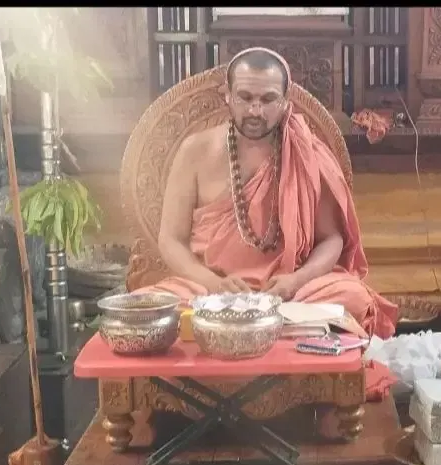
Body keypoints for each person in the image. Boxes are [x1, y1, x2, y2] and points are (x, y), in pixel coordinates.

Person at [137, 47, 399, 339]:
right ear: (227, 95)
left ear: (286, 101)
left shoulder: (307, 152)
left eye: (268, 99)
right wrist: (213, 284)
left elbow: (331, 239)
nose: (255, 111)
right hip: (210, 291)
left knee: (352, 298)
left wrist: (295, 281)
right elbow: (171, 240)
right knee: (150, 307)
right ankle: (284, 330)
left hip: (290, 293)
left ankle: (253, 328)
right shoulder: (195, 151)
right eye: (245, 97)